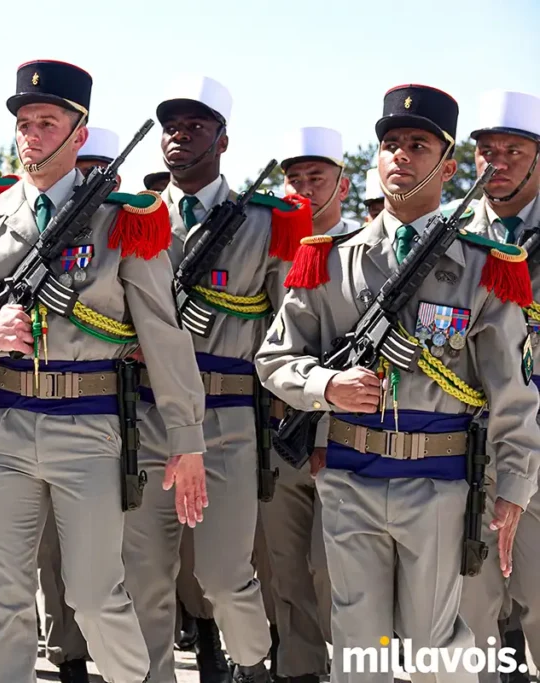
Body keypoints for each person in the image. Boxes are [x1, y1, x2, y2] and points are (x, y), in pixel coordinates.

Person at [0, 58, 209, 683]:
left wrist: (187, 436)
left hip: (91, 428)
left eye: (48, 122)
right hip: (6, 425)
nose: (32, 134)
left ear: (79, 134)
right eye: (24, 122)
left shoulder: (125, 220)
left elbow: (163, 333)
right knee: (3, 599)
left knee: (96, 597)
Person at [256, 84, 540, 683]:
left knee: (435, 652)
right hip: (350, 479)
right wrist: (327, 387)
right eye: (389, 144)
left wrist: (513, 488)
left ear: (448, 164)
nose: (400, 156)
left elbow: (513, 395)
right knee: (360, 650)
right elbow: (275, 359)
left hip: (439, 487)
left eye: (418, 144)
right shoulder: (327, 260)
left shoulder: (486, 267)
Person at [122, 75, 310, 683]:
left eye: (196, 125)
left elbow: (289, 326)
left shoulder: (267, 222)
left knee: (226, 576)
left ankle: (252, 662)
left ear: (223, 142)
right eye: (172, 126)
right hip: (147, 414)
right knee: (145, 575)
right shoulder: (134, 216)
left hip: (229, 418)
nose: (180, 135)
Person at [255, 126, 349, 683]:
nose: (304, 188)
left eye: (317, 177)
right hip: (272, 432)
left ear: (343, 182)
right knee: (284, 569)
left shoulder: (360, 253)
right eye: (293, 178)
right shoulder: (263, 247)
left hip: (340, 438)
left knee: (335, 572)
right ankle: (298, 671)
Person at [34, 124, 123, 683]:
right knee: (48, 550)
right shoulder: (26, 220)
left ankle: (119, 661)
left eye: (99, 172)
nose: (87, 180)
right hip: (27, 408)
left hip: (104, 408)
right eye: (81, 168)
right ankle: (67, 652)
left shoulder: (123, 230)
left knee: (104, 555)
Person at [457, 88, 540, 683]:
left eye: (513, 149)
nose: (498, 162)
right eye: (487, 150)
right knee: (470, 610)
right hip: (465, 447)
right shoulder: (449, 237)